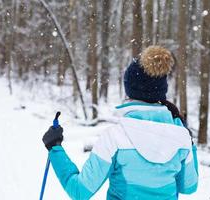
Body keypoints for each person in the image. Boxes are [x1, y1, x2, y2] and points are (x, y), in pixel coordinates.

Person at [42, 46, 198, 200]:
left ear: (129, 90)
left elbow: (79, 191)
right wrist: (189, 141)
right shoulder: (181, 138)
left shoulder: (115, 137)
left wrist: (55, 148)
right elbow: (189, 186)